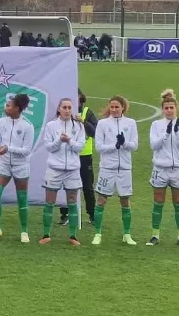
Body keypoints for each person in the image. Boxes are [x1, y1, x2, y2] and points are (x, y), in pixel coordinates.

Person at [0, 93, 35, 243]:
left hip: (21, 166)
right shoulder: (2, 122)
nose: (5, 107)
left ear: (17, 108)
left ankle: (24, 231)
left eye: (8, 105)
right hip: (4, 164)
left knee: (22, 198)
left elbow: (27, 150)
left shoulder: (27, 126)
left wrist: (9, 148)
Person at [92, 96, 139, 245]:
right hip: (107, 168)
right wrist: (115, 146)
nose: (114, 110)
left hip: (124, 168)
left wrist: (124, 143)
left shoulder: (130, 123)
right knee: (101, 200)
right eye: (111, 107)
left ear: (123, 107)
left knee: (125, 201)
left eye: (116, 107)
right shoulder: (102, 124)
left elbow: (134, 146)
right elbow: (98, 147)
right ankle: (98, 234)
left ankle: (127, 234)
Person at [148, 89, 179, 247]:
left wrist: (176, 132)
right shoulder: (156, 125)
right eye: (166, 108)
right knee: (158, 202)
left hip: (178, 169)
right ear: (162, 109)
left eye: (171, 108)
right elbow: (154, 145)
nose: (168, 110)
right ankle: (155, 235)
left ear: (176, 108)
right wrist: (166, 134)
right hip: (160, 169)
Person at [41, 98, 86, 245]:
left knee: (72, 202)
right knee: (49, 202)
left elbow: (80, 147)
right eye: (64, 107)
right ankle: (46, 235)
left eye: (69, 108)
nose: (67, 110)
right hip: (54, 169)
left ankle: (73, 236)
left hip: (72, 170)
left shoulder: (79, 126)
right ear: (59, 109)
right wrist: (60, 140)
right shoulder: (51, 126)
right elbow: (49, 147)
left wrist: (69, 141)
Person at [59, 89, 98, 226]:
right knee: (66, 185)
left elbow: (96, 132)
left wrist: (84, 122)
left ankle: (92, 214)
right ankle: (65, 214)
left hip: (84, 155)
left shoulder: (87, 112)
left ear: (81, 97)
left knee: (87, 186)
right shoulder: (64, 111)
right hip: (67, 155)